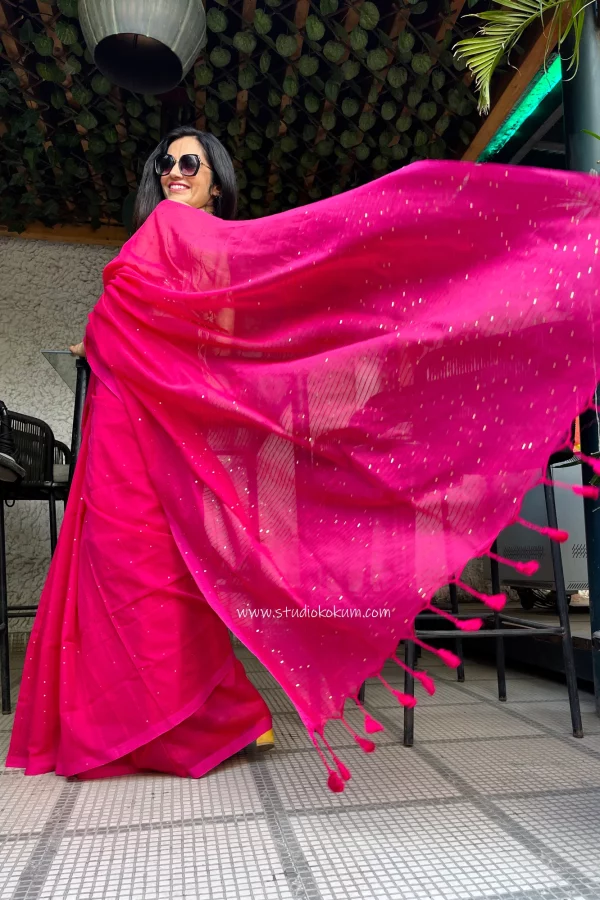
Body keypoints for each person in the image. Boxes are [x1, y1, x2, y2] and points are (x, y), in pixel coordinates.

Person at [7, 127, 600, 790]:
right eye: (165, 163)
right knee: (135, 567)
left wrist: (113, 341)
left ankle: (186, 724)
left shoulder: (184, 236)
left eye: (190, 163)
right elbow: (160, 334)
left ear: (216, 182)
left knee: (140, 567)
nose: (174, 172)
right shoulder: (191, 246)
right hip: (136, 431)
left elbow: (151, 333)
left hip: (151, 435)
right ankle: (183, 721)